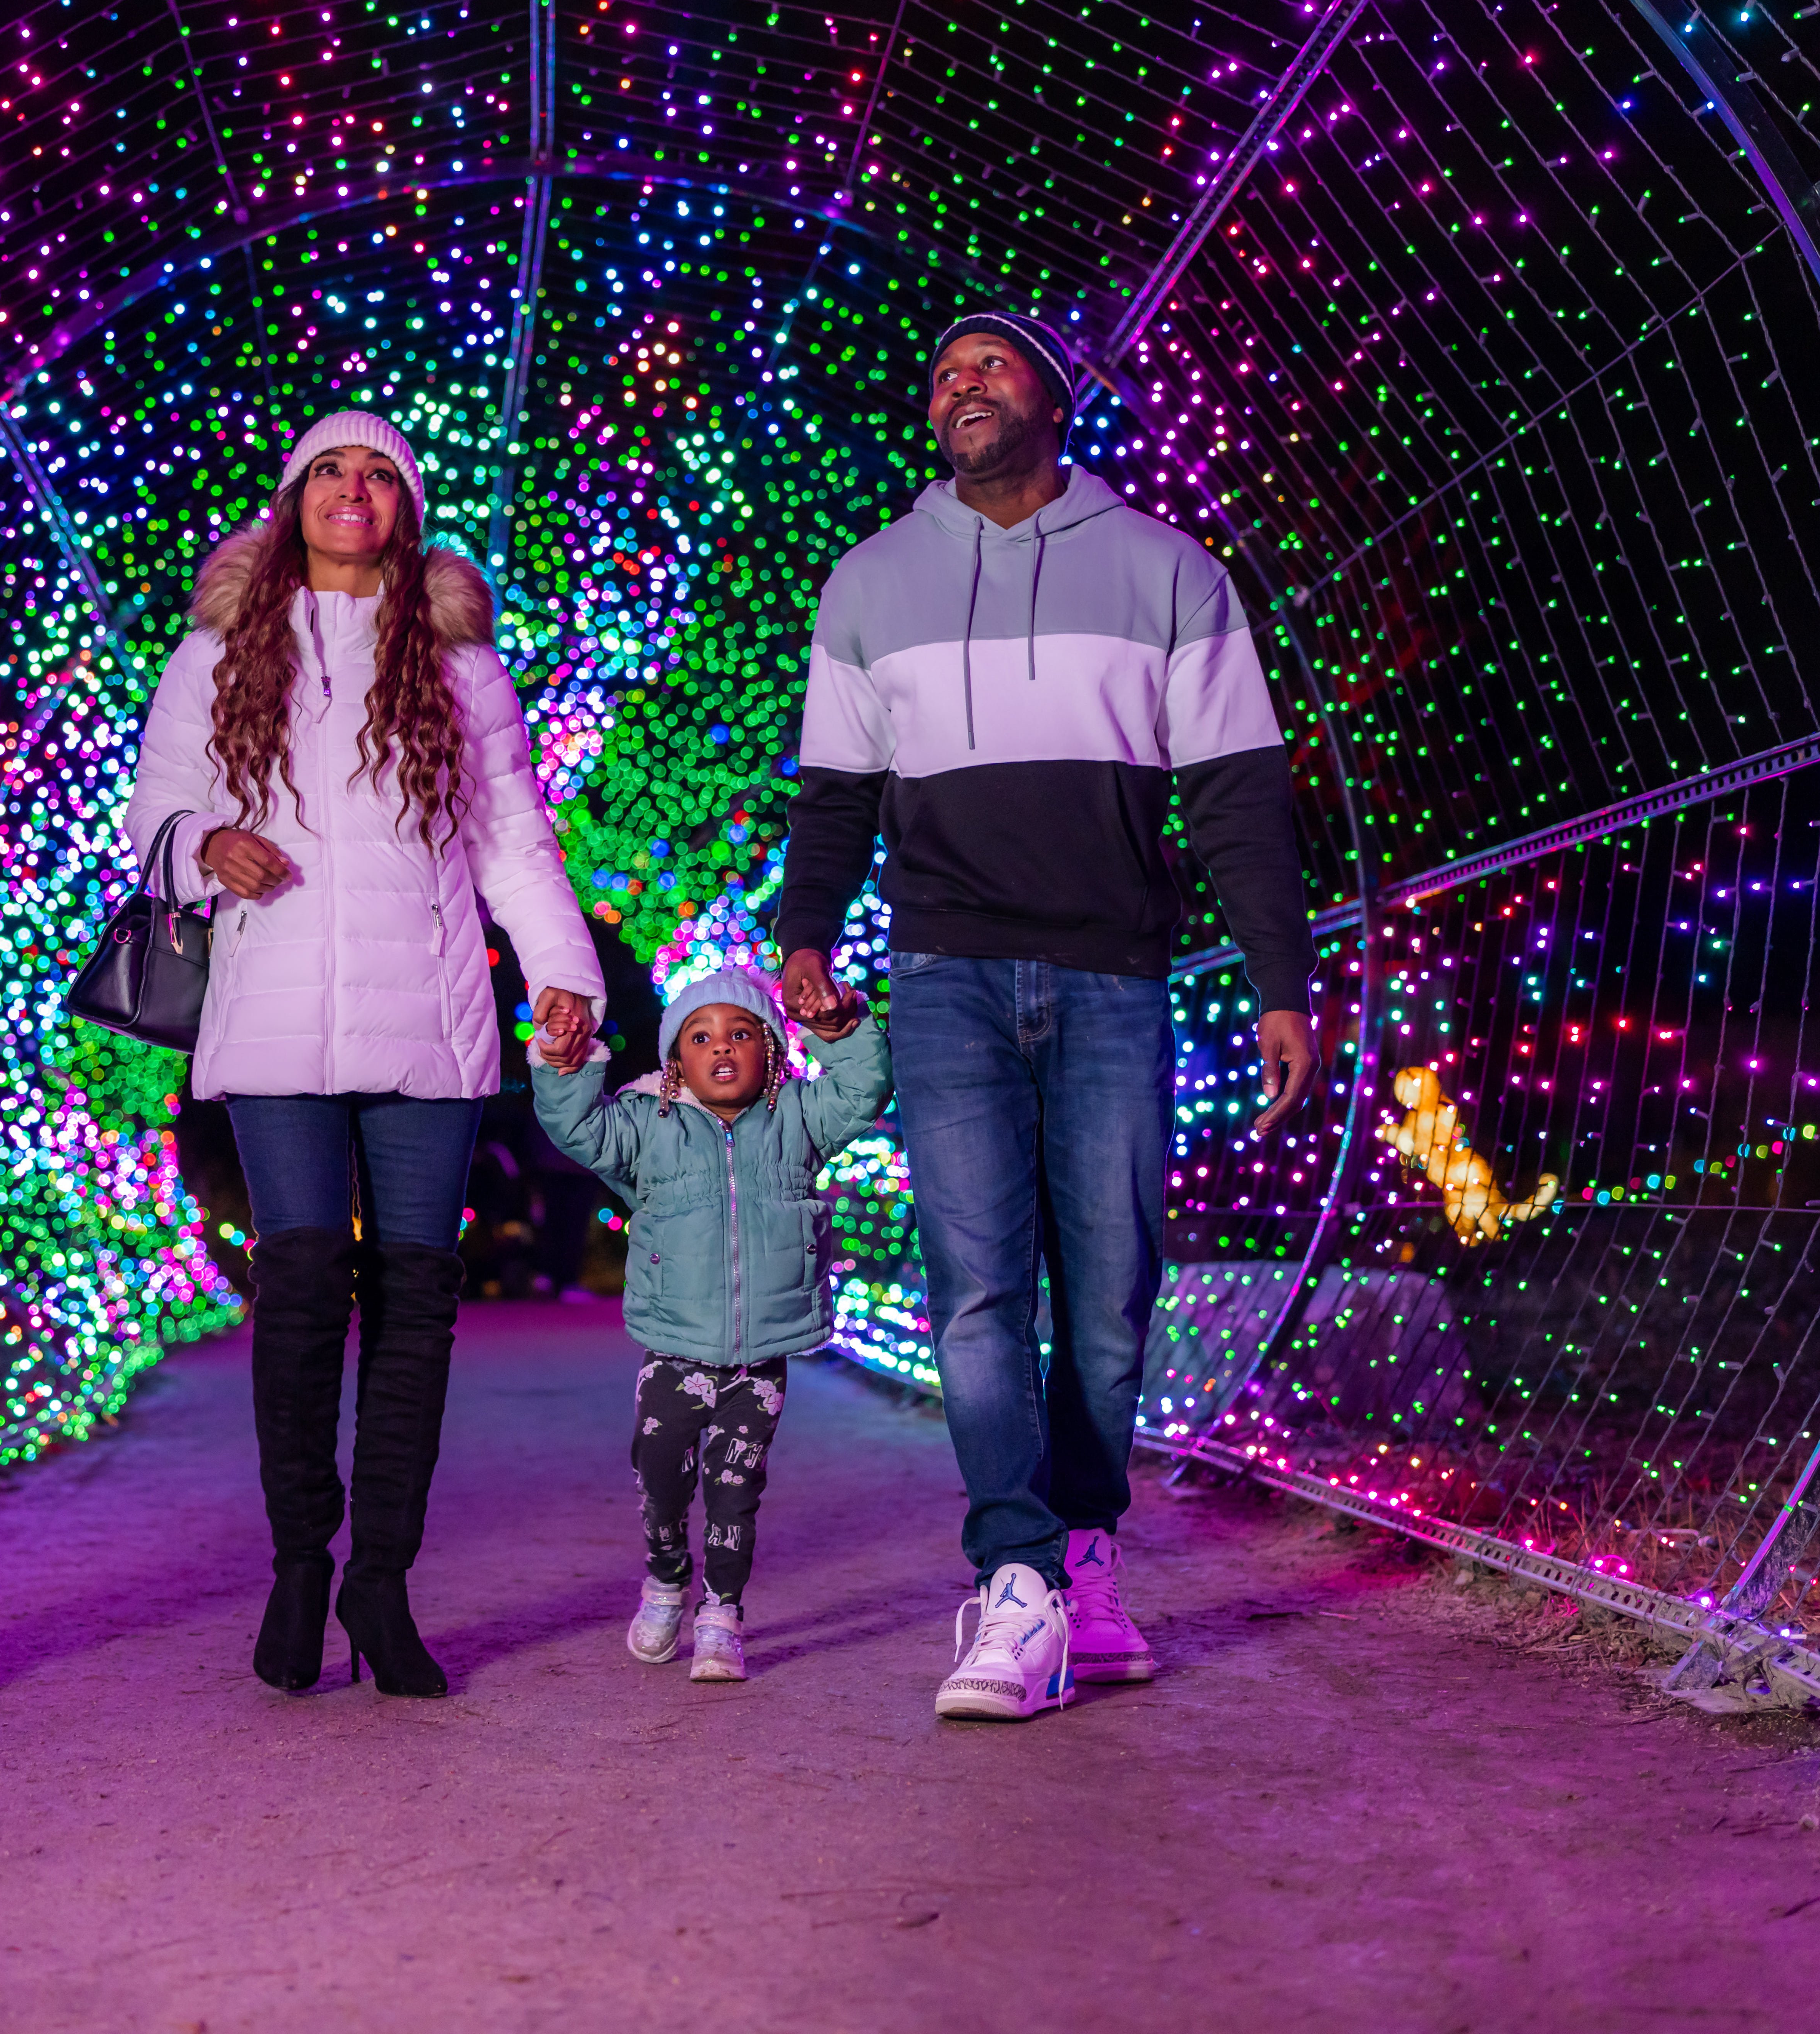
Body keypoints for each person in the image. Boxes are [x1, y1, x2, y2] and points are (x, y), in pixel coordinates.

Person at [773, 311, 1320, 1723]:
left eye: (989, 365)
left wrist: (1276, 980)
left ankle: (1086, 1553)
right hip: (945, 971)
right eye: (941, 368)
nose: (959, 382)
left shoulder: (1166, 570)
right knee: (975, 1288)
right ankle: (1012, 1575)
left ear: (1052, 399)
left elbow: (1240, 791)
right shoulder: (869, 580)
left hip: (1114, 977)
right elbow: (834, 790)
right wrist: (808, 936)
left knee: (1112, 1291)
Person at [119, 412, 602, 1699]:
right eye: (331, 468)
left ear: (407, 506)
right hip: (273, 1012)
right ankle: (296, 1560)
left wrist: (562, 971)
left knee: (415, 1294)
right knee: (297, 1279)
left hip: (428, 1014)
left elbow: (513, 841)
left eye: (379, 471)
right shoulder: (216, 653)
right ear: (291, 499)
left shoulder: (459, 667)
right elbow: (149, 815)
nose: (353, 486)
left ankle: (378, 1580)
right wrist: (201, 845)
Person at [530, 965, 888, 1683]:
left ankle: (722, 1611)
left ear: (771, 1051)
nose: (721, 1047)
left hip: (761, 1358)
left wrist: (837, 1028)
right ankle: (666, 1579)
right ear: (676, 1061)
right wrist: (564, 1063)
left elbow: (863, 1089)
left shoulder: (798, 1118)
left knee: (736, 1489)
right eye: (700, 1036)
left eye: (741, 1033)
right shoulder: (646, 1126)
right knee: (661, 1479)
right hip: (675, 1352)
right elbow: (575, 1126)